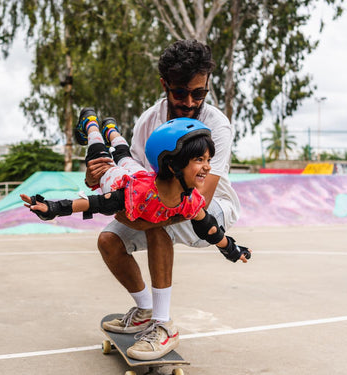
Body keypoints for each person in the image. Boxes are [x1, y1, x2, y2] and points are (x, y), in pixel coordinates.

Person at [20, 111, 250, 360]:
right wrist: (51, 208)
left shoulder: (190, 200)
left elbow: (209, 228)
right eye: (199, 159)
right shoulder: (137, 194)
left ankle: (111, 128)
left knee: (123, 154)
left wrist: (232, 250)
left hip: (134, 171)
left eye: (208, 159)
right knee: (102, 155)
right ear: (173, 165)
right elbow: (92, 203)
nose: (207, 166)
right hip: (115, 180)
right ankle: (93, 125)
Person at [82, 39, 244, 360]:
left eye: (199, 93)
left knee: (159, 221)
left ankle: (163, 325)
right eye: (180, 92)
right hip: (162, 203)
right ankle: (144, 310)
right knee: (108, 240)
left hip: (212, 211)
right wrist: (96, 179)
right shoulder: (148, 121)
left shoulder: (217, 126)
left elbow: (197, 199)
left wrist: (137, 214)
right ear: (164, 85)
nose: (189, 101)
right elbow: (136, 184)